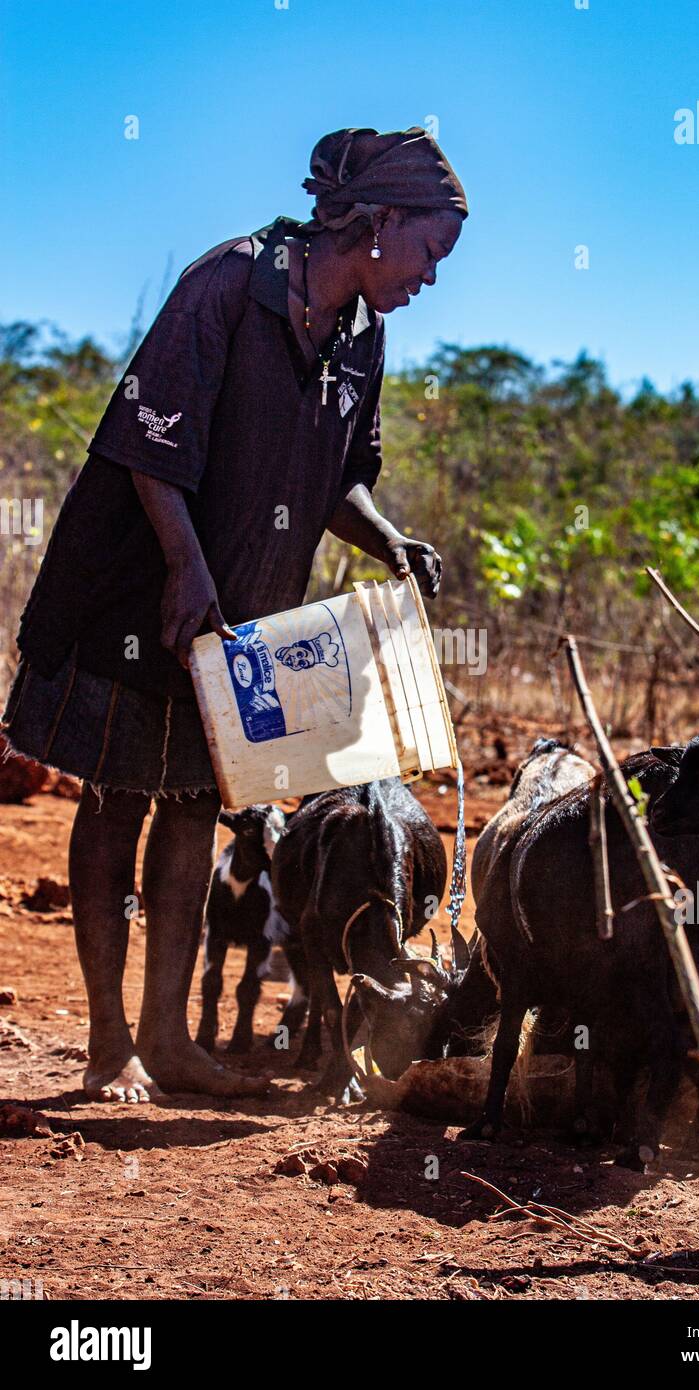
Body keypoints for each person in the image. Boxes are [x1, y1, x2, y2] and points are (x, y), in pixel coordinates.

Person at [1, 125, 467, 1103]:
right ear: (379, 224)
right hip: (139, 586)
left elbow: (343, 477)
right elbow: (143, 435)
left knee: (195, 804)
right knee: (116, 797)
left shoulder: (360, 337)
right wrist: (183, 566)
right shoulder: (228, 283)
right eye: (429, 250)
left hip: (245, 611)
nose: (431, 276)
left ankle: (168, 1039)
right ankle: (105, 1043)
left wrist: (387, 541)